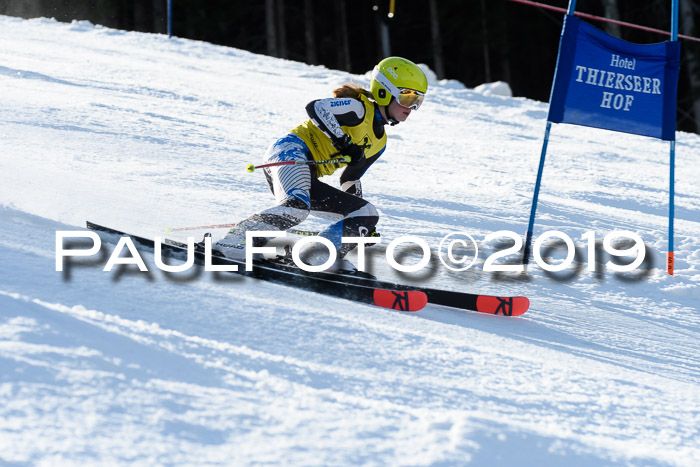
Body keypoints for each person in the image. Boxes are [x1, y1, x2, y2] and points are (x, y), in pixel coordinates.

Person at [213, 56, 428, 272]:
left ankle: (316, 255)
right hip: (289, 153)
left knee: (368, 213)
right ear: (384, 92)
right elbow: (316, 107)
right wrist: (342, 141)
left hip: (308, 174)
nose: (411, 107)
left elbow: (350, 179)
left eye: (418, 101)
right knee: (297, 207)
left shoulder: (380, 143)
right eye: (406, 98)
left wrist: (359, 225)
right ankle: (234, 242)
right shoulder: (358, 109)